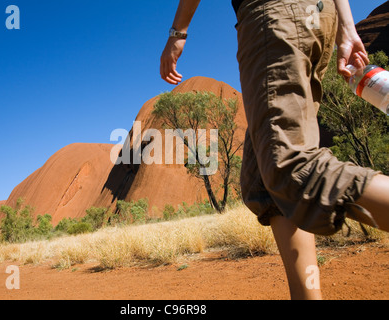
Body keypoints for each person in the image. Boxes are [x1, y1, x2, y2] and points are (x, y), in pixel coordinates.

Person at [160, 0, 389, 300]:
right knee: (264, 182)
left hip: (275, 15)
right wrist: (345, 26)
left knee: (290, 164)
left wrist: (178, 32)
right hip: (316, 17)